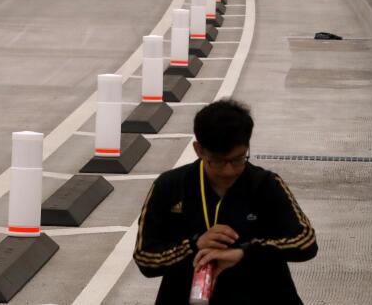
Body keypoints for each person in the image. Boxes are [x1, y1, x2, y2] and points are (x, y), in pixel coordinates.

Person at [133, 99, 317, 304]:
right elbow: (145, 257)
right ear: (198, 150)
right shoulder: (170, 186)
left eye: (238, 159)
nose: (228, 171)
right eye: (218, 161)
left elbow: (305, 242)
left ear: (247, 146)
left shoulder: (266, 185)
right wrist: (194, 245)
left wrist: (244, 253)